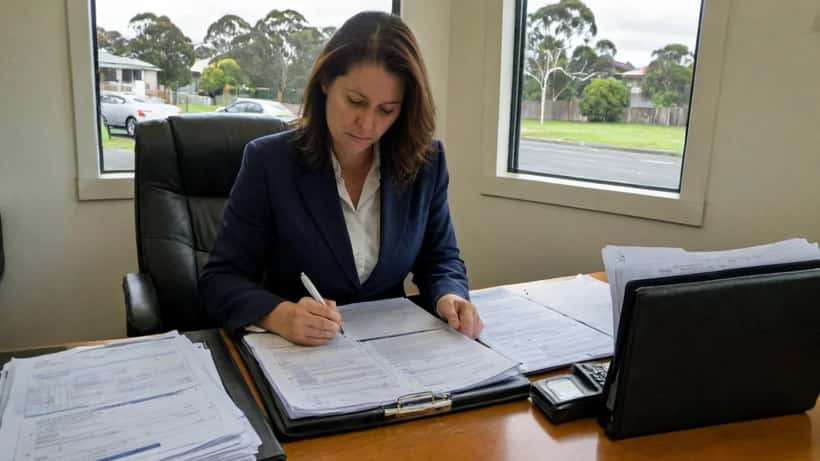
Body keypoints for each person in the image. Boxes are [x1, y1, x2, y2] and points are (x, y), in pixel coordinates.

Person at [199, 11, 483, 346]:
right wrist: (280, 315)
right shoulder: (268, 162)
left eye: (387, 110)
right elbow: (220, 280)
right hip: (298, 354)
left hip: (393, 350)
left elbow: (440, 258)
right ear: (325, 82)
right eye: (355, 101)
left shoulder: (426, 163)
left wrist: (449, 297)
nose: (367, 125)